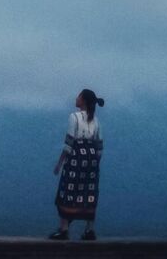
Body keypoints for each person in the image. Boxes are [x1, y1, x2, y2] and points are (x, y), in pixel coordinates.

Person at [50, 88, 104, 241]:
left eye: (79, 96)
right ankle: (89, 230)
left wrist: (59, 164)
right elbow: (100, 145)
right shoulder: (96, 120)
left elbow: (69, 143)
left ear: (84, 100)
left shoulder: (74, 117)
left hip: (76, 159)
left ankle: (64, 229)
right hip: (92, 159)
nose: (76, 98)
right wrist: (95, 162)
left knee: (67, 191)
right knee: (89, 193)